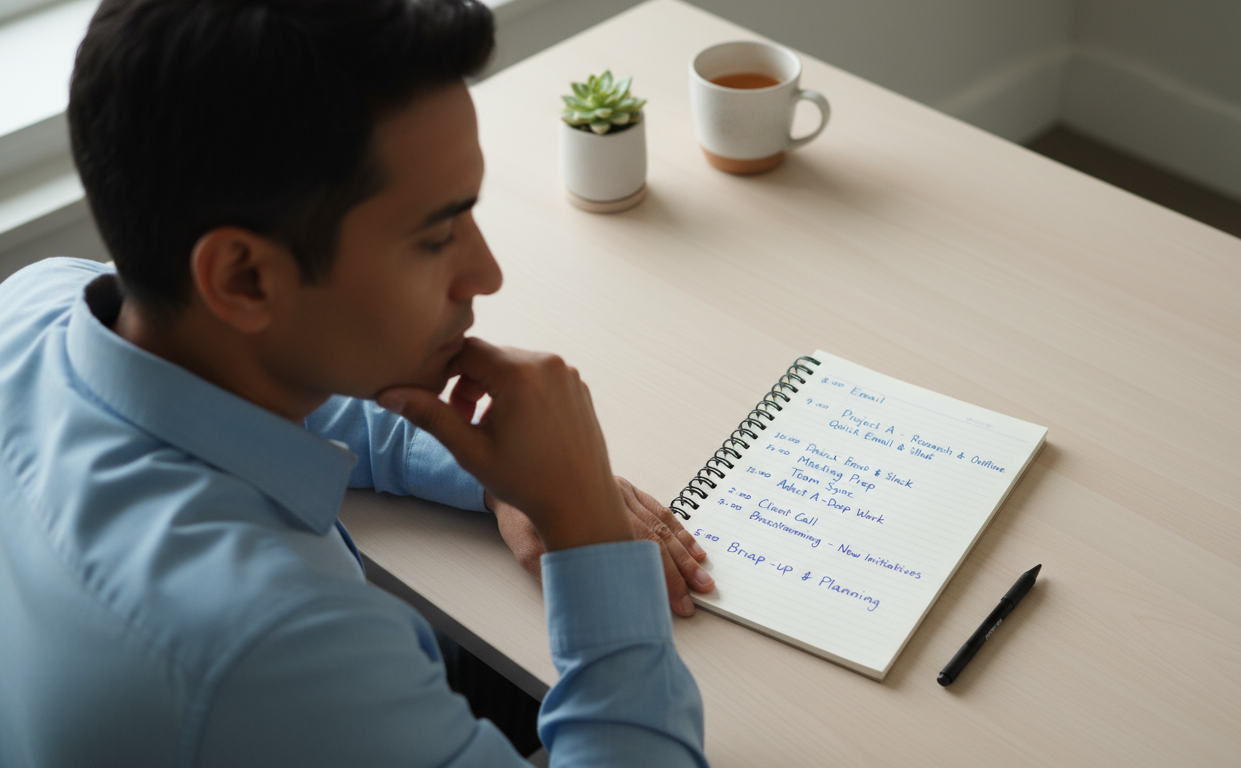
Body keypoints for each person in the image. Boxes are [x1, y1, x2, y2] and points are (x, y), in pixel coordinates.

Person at [0, 0, 713, 765]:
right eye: (436, 235)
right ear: (242, 276)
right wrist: (586, 529)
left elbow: (286, 388)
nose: (487, 273)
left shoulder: (36, 303)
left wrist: (490, 473)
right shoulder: (265, 650)